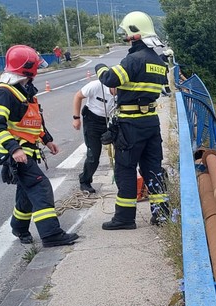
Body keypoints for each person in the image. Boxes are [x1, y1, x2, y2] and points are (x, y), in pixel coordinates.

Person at [0, 45, 78, 248]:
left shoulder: (24, 91)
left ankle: (18, 228)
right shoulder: (4, 93)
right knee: (41, 187)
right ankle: (51, 235)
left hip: (28, 151)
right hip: (17, 154)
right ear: (28, 68)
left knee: (26, 193)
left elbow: (33, 120)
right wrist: (14, 149)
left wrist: (47, 139)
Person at [97, 10, 170, 230]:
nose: (125, 37)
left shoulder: (133, 59)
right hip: (151, 122)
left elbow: (110, 78)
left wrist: (99, 67)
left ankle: (124, 218)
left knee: (125, 169)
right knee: (153, 168)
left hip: (131, 124)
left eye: (126, 33)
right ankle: (162, 215)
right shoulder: (158, 61)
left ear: (134, 33)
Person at [72, 64, 117, 194]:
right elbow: (78, 96)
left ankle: (121, 179)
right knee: (93, 155)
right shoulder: (96, 86)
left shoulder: (123, 91)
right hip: (92, 120)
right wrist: (76, 118)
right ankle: (85, 181)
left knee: (121, 150)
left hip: (109, 120)